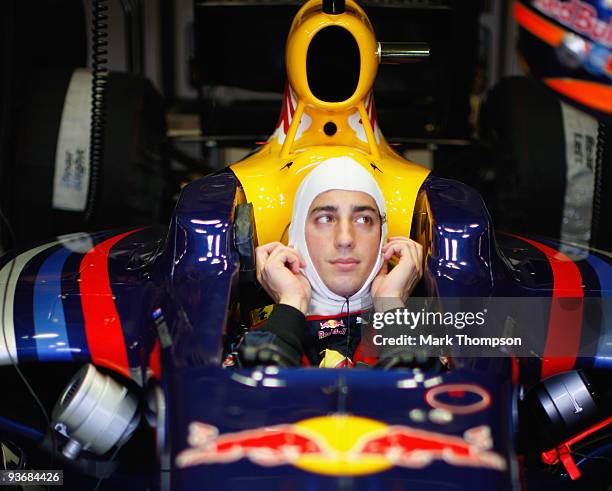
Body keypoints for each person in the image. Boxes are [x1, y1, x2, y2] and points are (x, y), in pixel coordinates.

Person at [234, 157, 423, 368]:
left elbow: (436, 393)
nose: (345, 239)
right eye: (325, 219)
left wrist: (390, 303)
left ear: (382, 235)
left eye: (363, 219)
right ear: (298, 233)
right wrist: (291, 303)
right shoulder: (250, 327)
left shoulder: (436, 323)